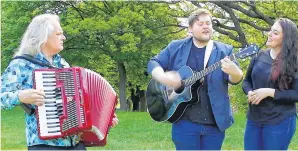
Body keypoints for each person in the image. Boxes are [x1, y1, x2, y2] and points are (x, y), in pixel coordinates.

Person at [1, 14, 118, 150]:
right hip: (44, 145)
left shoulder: (62, 64)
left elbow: (78, 102)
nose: (64, 38)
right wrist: (20, 96)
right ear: (44, 36)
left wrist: (105, 118)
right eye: (59, 34)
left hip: (74, 143)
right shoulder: (21, 64)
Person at [147, 8, 243, 150]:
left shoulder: (224, 50)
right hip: (184, 122)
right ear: (190, 29)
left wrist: (235, 72)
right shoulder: (176, 47)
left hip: (214, 124)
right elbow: (153, 63)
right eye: (200, 23)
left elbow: (235, 78)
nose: (206, 26)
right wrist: (163, 77)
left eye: (208, 23)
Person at [242, 18, 298, 150]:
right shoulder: (259, 56)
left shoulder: (295, 63)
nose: (269, 34)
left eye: (275, 32)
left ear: (286, 38)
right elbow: (246, 81)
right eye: (270, 30)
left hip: (280, 120)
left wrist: (269, 92)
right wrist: (249, 92)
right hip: (254, 119)